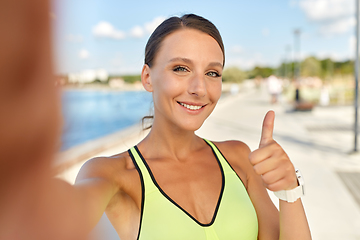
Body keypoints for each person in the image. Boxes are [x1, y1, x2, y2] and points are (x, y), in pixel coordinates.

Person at [75, 14, 312, 239]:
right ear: (147, 77)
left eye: (212, 72)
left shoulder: (238, 158)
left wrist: (289, 190)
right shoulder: (113, 174)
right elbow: (71, 210)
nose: (199, 88)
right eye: (181, 68)